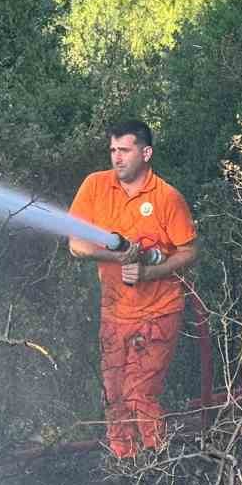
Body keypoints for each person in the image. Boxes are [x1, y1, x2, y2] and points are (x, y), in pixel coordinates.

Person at [68, 119, 198, 458]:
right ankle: (123, 462)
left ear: (146, 152)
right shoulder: (95, 186)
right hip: (114, 311)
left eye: (124, 150)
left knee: (140, 392)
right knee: (114, 393)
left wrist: (149, 273)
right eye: (113, 150)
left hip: (159, 310)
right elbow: (75, 245)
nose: (117, 157)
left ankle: (158, 465)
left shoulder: (167, 198)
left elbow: (189, 251)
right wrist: (111, 253)